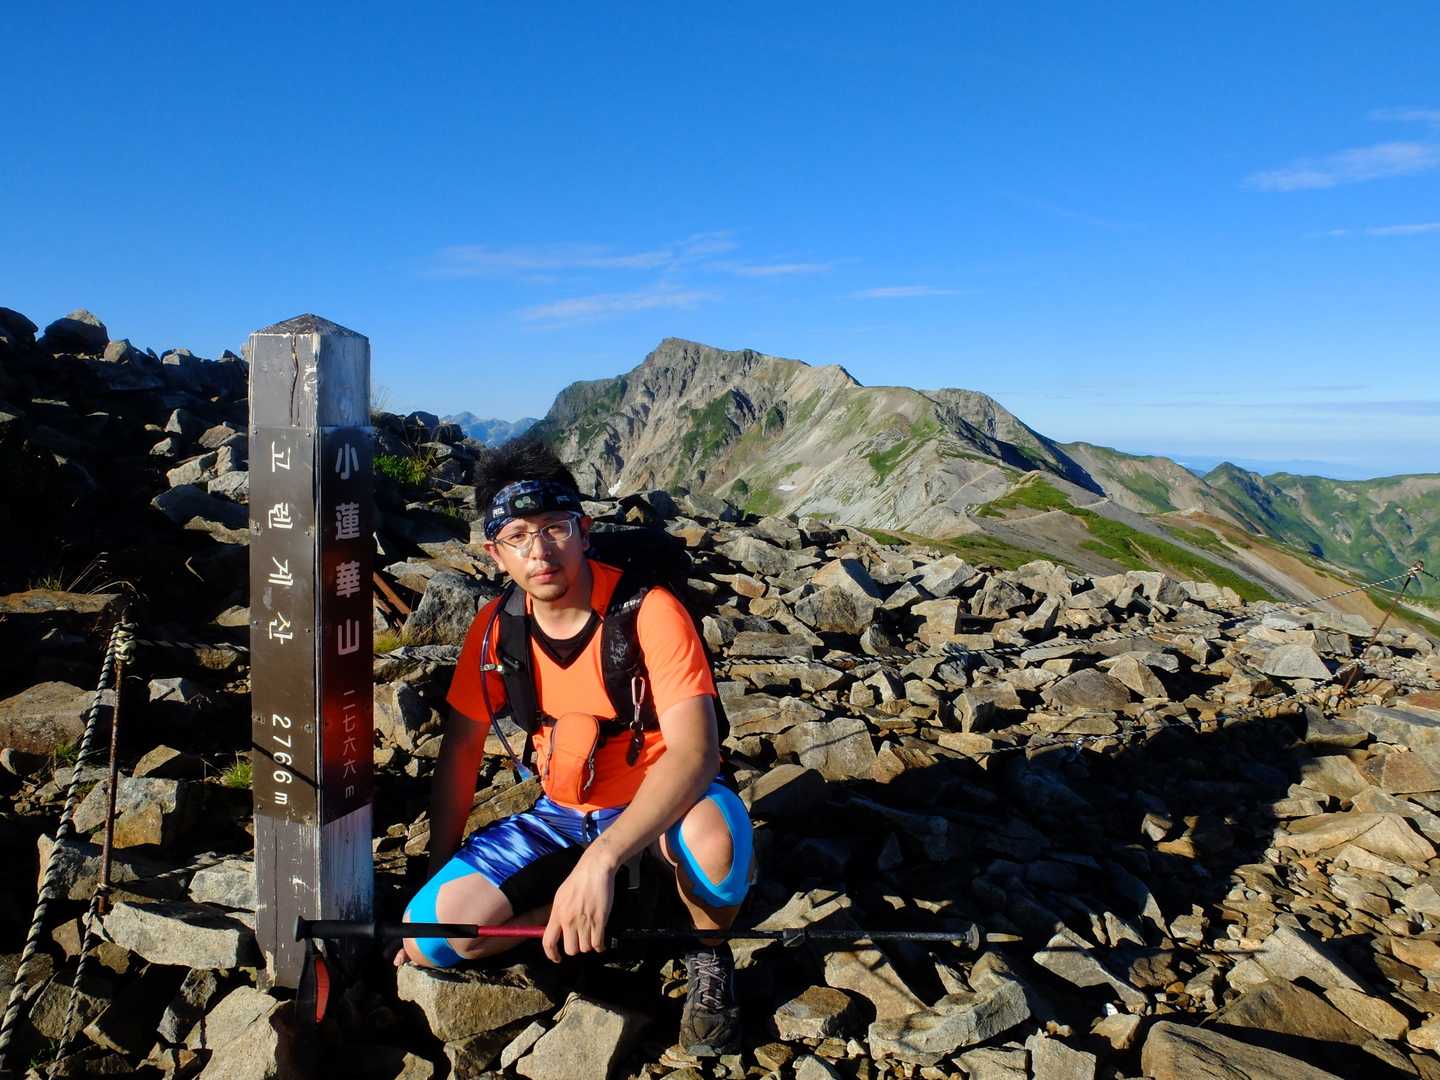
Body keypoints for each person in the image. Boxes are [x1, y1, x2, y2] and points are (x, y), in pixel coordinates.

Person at [396, 439, 753, 1056]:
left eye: (554, 528)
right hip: (563, 812)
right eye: (516, 536)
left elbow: (696, 754)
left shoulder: (649, 611)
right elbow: (459, 755)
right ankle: (595, 911)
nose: (539, 551)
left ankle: (707, 951)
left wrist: (601, 861)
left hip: (663, 803)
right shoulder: (495, 630)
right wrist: (436, 868)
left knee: (716, 839)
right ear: (495, 553)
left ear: (583, 532)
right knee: (429, 937)